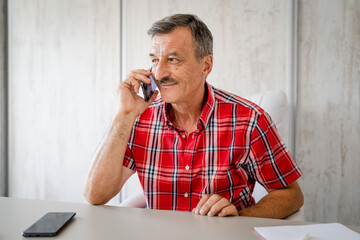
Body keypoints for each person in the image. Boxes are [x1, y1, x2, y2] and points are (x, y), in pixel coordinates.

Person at [84, 14, 304, 218]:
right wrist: (124, 116)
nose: (159, 74)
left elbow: (291, 195)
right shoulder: (139, 119)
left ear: (206, 65)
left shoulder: (249, 120)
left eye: (173, 60)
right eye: (154, 60)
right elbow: (95, 195)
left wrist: (238, 217)